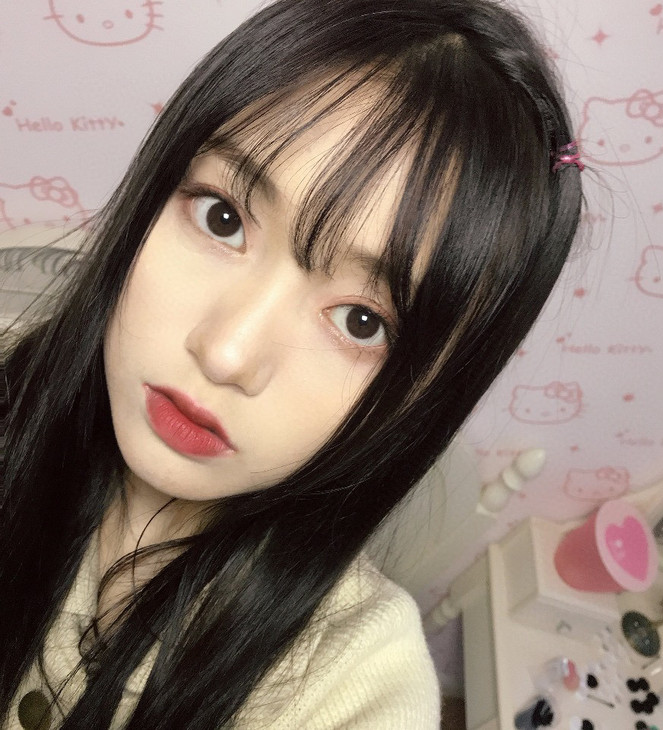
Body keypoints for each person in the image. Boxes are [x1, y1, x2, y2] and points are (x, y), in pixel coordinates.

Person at [0, 0, 584, 727]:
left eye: (362, 321)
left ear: (424, 400)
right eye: (222, 218)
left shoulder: (351, 680)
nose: (227, 353)